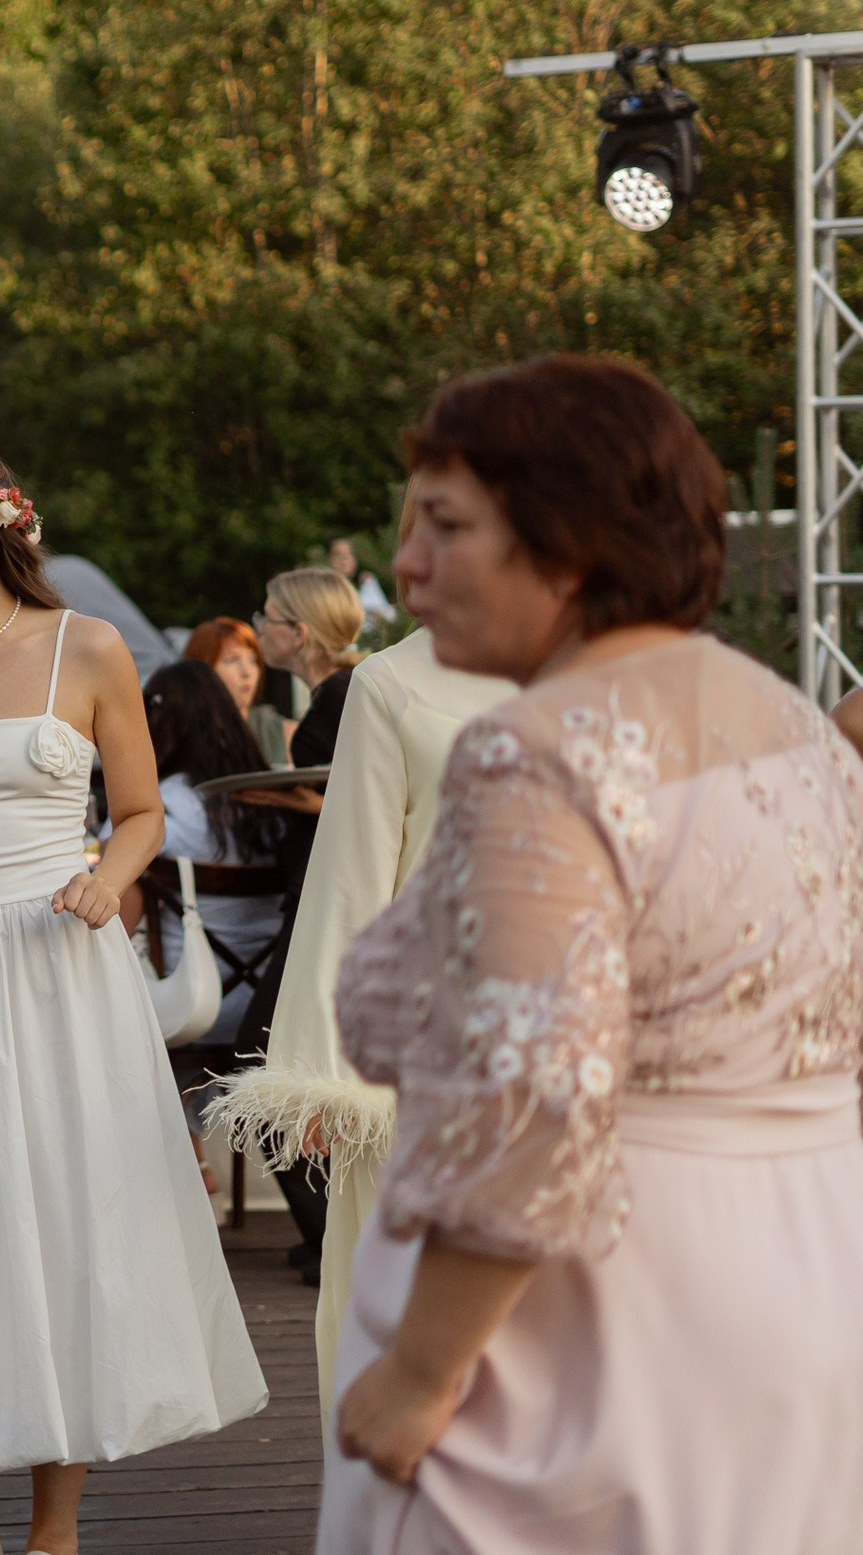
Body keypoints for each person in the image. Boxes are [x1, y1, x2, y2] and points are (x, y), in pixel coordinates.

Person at [322, 356, 863, 1553]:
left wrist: (421, 1369)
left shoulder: (537, 755)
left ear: (565, 549)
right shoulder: (789, 721)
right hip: (804, 1285)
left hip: (594, 1341)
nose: (406, 565)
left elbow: (530, 1102)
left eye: (447, 527)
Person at [0, 433, 263, 1555]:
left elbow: (135, 815)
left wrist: (104, 882)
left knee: (64, 1223)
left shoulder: (90, 649)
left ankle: (54, 1533)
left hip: (57, 968)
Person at [206, 542, 513, 1430]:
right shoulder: (389, 685)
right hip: (423, 1044)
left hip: (575, 1044)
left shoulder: (603, 671)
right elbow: (348, 882)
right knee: (408, 1310)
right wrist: (315, 1068)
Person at [132, 660, 286, 1036]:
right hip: (272, 1006)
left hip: (185, 1004)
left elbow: (116, 924)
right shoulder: (278, 809)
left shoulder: (151, 813)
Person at [254, 568, 365, 766]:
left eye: (268, 619)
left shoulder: (340, 696)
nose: (260, 629)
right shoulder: (350, 686)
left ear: (298, 633)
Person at [181, 616, 288, 768]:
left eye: (253, 660)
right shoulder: (180, 737)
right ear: (201, 670)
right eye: (231, 660)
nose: (247, 672)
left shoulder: (284, 734)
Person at [327, 536, 395, 627]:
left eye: (349, 554)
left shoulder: (364, 583)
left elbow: (387, 614)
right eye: (339, 554)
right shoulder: (327, 590)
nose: (344, 560)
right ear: (331, 559)